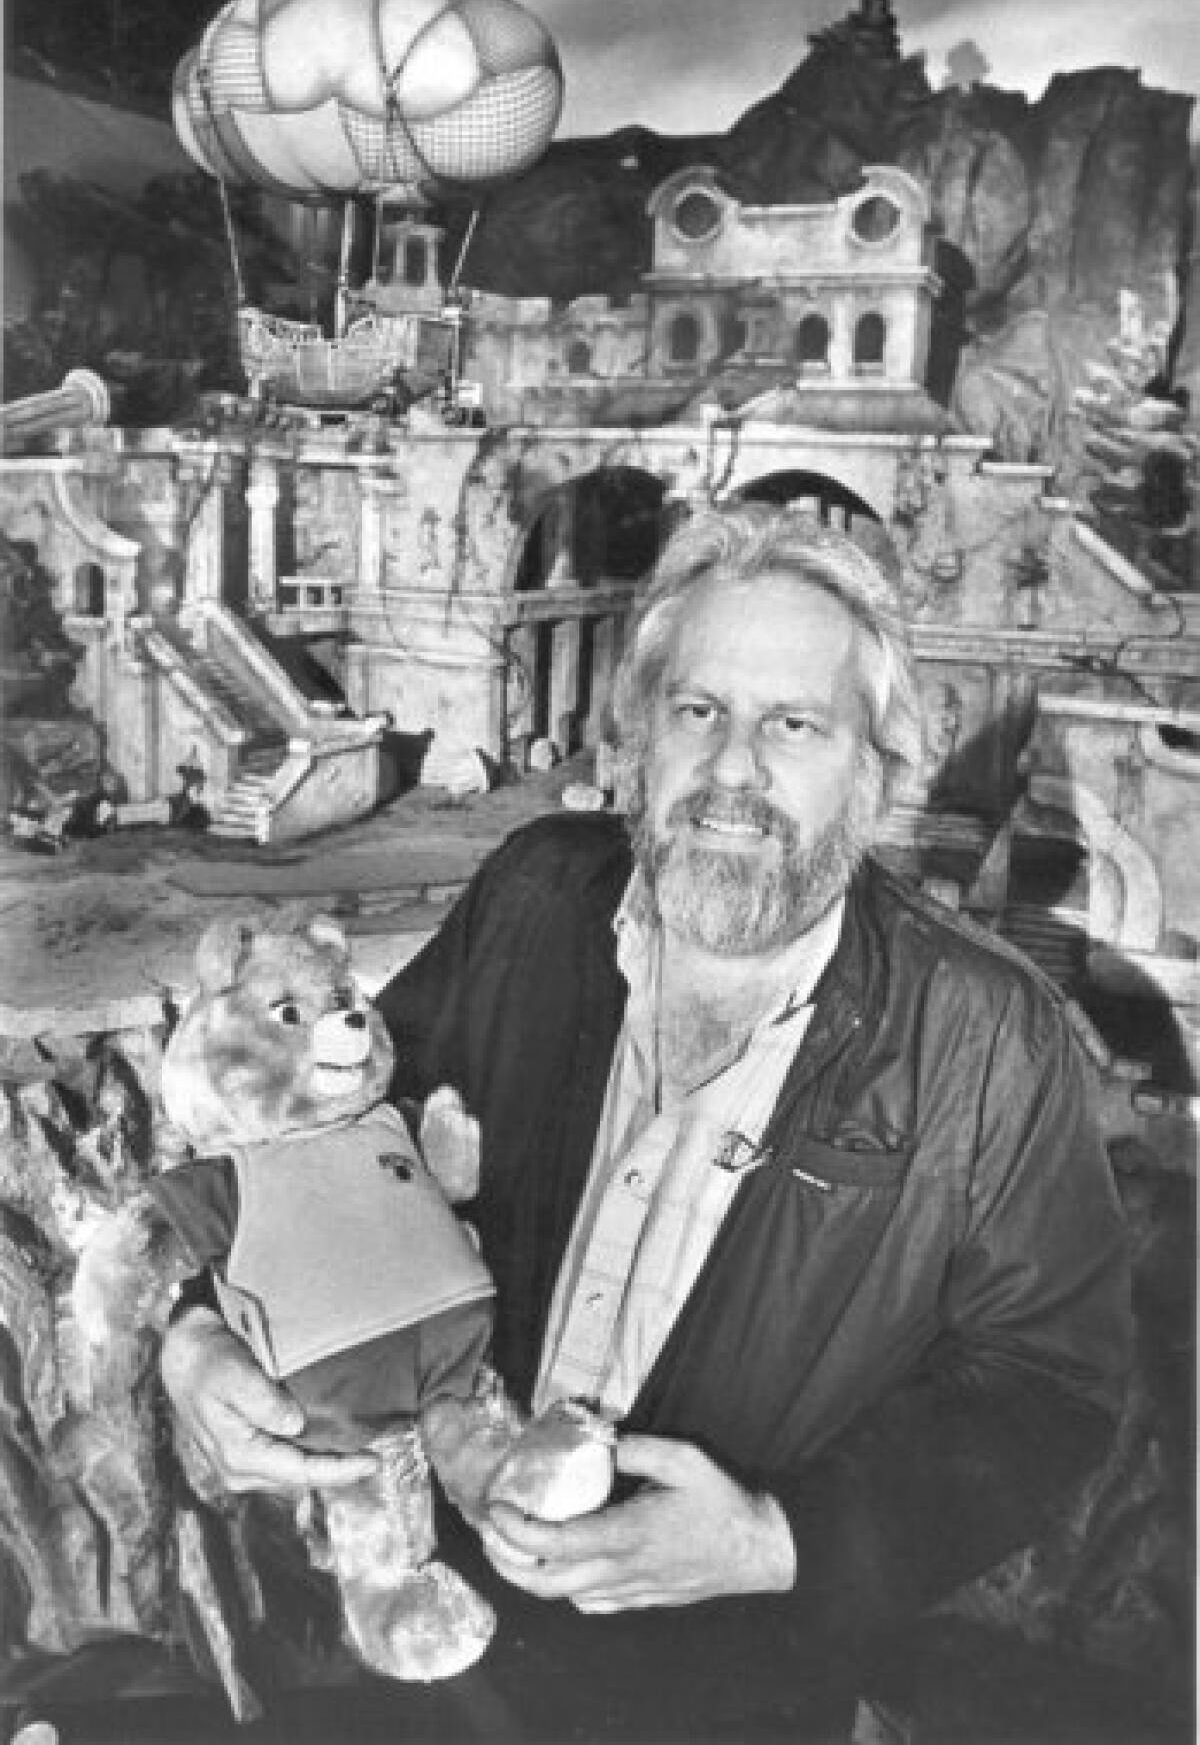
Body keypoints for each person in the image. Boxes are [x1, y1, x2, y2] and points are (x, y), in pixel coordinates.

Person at [162, 504, 1131, 1740]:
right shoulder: (536, 896)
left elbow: (1048, 1383)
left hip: (728, 1685)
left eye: (792, 723)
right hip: (435, 1624)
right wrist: (199, 1333)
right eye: (698, 711)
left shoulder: (989, 1035)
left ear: (876, 771)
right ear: (640, 737)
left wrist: (781, 1541)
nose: (733, 769)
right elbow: (320, 1133)